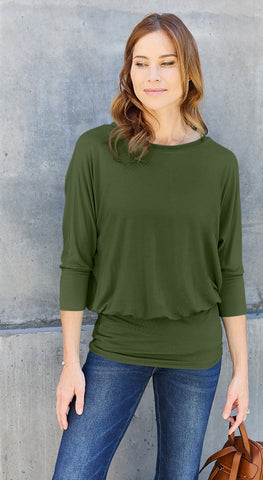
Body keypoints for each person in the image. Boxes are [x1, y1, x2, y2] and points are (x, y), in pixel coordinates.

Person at [52, 12, 249, 480]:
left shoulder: (220, 165)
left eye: (167, 62)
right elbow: (76, 262)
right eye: (141, 63)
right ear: (129, 72)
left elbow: (230, 272)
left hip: (196, 352)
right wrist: (69, 363)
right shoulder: (95, 152)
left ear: (188, 72)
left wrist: (242, 370)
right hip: (118, 343)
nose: (152, 75)